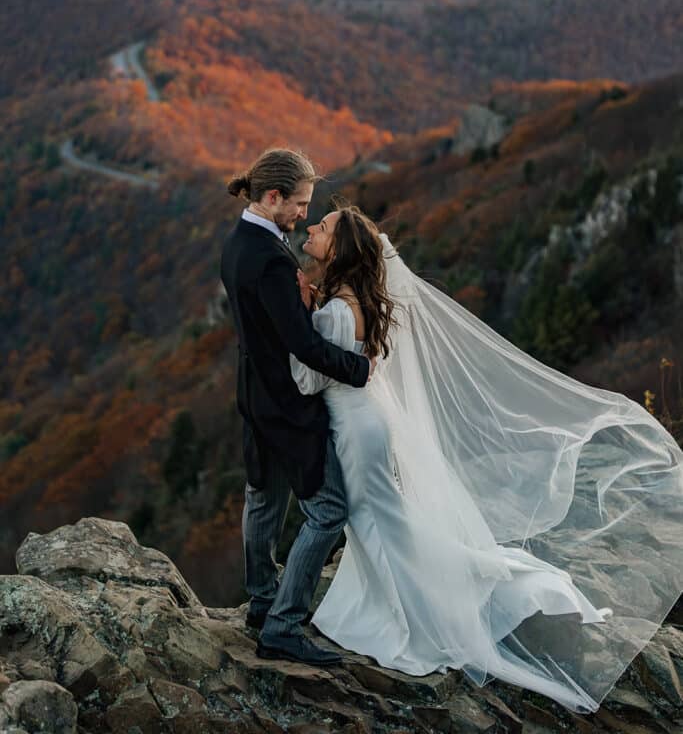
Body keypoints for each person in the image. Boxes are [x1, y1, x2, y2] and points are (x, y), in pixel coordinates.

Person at [290, 202, 683, 713]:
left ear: (340, 248)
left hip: (355, 428)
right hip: (369, 421)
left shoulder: (336, 311)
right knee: (384, 521)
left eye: (322, 227)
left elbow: (309, 379)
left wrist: (300, 321)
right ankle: (436, 593)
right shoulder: (355, 298)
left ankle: (426, 621)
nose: (313, 228)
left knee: (375, 524)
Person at [220, 149, 373, 668]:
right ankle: (283, 626)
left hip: (254, 393)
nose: (303, 216)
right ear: (272, 197)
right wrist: (360, 370)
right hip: (286, 402)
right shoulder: (269, 259)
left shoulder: (238, 243)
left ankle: (263, 603)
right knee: (328, 512)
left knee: (263, 496)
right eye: (299, 204)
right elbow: (303, 345)